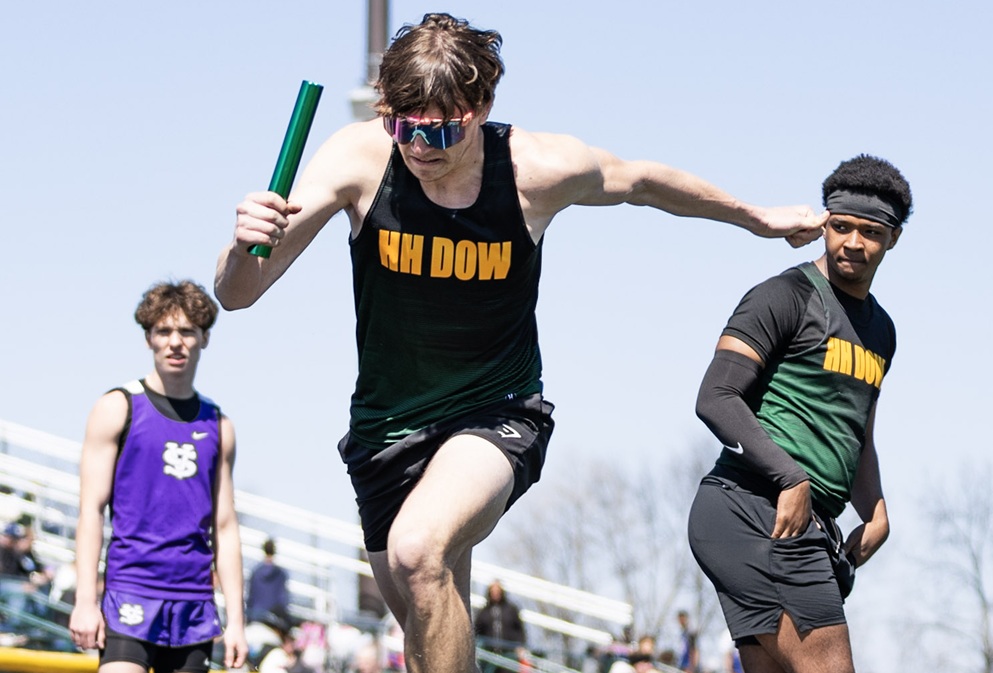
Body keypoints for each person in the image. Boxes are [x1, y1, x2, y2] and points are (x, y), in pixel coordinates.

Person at [214, 13, 826, 673]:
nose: (419, 147)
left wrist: (754, 216)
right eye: (403, 127)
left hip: (496, 412)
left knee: (420, 551)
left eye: (441, 131)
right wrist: (242, 245)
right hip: (383, 432)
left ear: (479, 110)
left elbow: (643, 181)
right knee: (426, 631)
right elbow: (238, 292)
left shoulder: (535, 168)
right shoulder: (358, 159)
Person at [687, 154, 912, 673]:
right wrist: (789, 477)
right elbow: (716, 397)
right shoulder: (784, 296)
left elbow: (858, 433)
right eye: (842, 226)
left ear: (894, 238)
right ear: (824, 224)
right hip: (752, 508)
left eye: (871, 232)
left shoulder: (883, 332)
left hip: (800, 521)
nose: (853, 242)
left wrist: (876, 510)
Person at [69, 281, 247, 672]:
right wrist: (85, 600)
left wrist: (236, 620)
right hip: (129, 590)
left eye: (187, 331)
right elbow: (90, 511)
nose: (175, 342)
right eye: (164, 331)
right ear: (148, 338)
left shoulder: (219, 425)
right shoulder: (117, 407)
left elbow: (225, 526)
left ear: (204, 338)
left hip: (194, 603)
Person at [473, 580, 526, 671]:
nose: (495, 593)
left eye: (497, 591)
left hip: (508, 655)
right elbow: (477, 631)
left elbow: (519, 630)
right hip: (488, 656)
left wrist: (520, 646)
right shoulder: (484, 612)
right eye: (493, 591)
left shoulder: (511, 610)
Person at [247, 537, 292, 625]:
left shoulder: (255, 572)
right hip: (273, 621)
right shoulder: (281, 574)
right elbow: (283, 600)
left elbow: (250, 598)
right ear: (274, 551)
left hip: (255, 617)